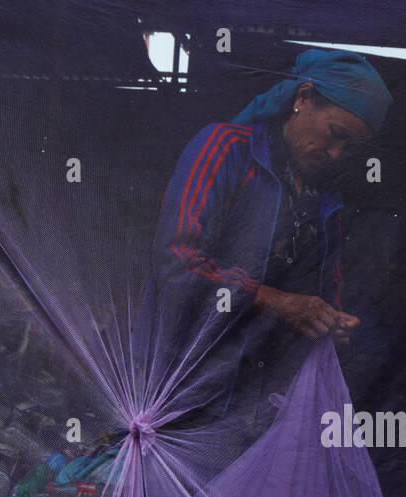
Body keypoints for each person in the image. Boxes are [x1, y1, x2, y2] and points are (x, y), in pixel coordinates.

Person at [142, 49, 393, 470]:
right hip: (189, 379)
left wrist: (328, 322)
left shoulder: (324, 195)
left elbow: (323, 285)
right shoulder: (225, 150)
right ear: (304, 98)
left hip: (261, 394)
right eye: (334, 133)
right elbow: (176, 260)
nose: (335, 153)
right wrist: (276, 301)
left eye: (351, 147)